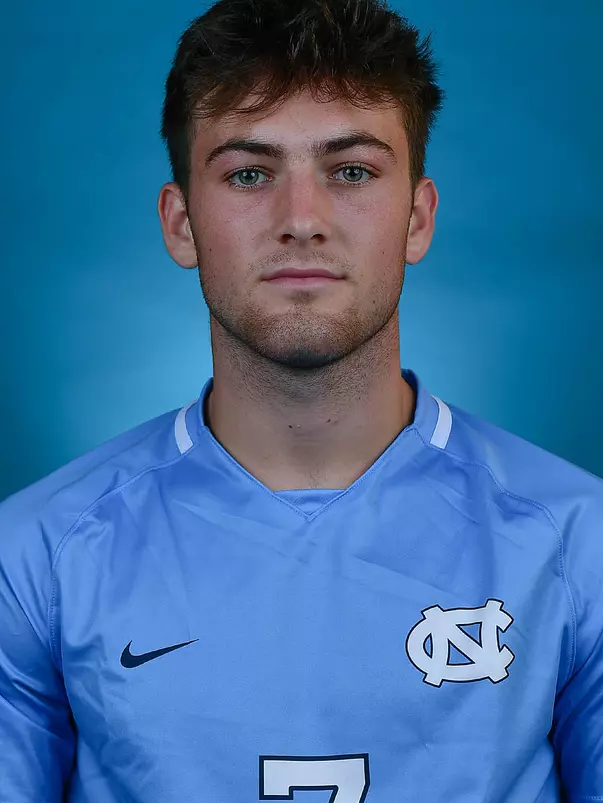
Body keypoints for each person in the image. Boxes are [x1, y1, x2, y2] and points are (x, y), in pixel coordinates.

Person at [0, 0, 601, 800]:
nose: (301, 221)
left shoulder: (580, 544)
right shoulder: (34, 555)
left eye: (350, 170)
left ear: (417, 218)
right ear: (180, 224)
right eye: (249, 173)